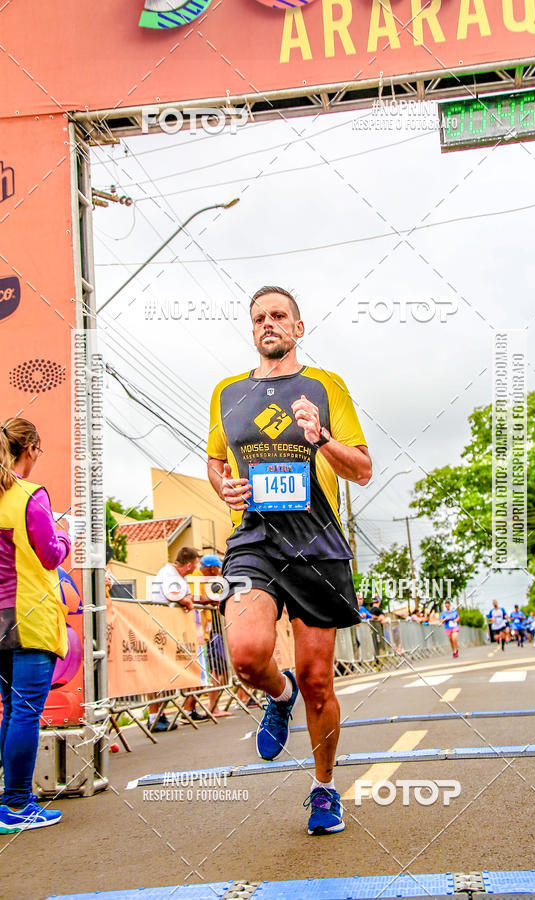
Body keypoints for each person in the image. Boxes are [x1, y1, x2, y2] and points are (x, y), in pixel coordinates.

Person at [207, 285, 371, 835]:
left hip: (316, 543)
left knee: (318, 679)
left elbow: (362, 469)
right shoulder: (227, 392)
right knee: (246, 655)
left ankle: (324, 788)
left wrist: (320, 437)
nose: (268, 324)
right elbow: (215, 462)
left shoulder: (326, 386)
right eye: (259, 318)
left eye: (278, 315)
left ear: (298, 328)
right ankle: (279, 694)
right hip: (254, 540)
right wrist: (224, 486)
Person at [0, 418, 70, 832]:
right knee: (25, 713)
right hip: (29, 617)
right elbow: (50, 554)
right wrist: (65, 538)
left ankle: (9, 801)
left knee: (11, 712)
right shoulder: (31, 495)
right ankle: (16, 804)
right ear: (30, 449)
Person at [149, 547, 198, 731]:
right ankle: (154, 717)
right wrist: (185, 600)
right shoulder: (168, 574)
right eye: (196, 564)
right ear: (189, 565)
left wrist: (187, 599)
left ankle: (160, 714)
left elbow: (187, 596)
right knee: (158, 673)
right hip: (159, 628)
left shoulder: (178, 576)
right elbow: (174, 595)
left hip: (170, 629)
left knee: (167, 674)